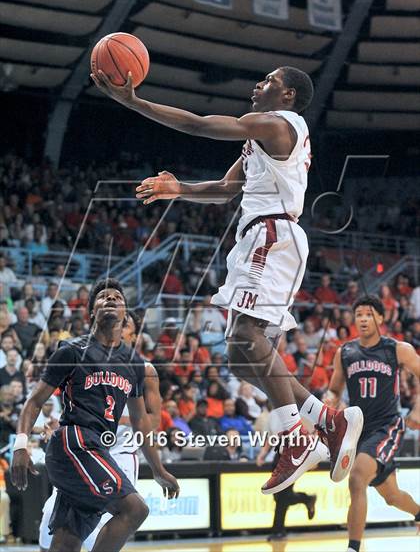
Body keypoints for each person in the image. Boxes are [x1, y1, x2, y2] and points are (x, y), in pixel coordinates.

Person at [94, 66, 363, 494]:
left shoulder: (279, 125)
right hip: (262, 236)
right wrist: (179, 189)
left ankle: (296, 440)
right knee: (239, 359)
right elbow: (225, 189)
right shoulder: (260, 139)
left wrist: (134, 102)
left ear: (288, 94)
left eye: (269, 82)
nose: (258, 85)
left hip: (271, 234)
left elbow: (199, 124)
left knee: (244, 337)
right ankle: (326, 419)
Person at [11, 278, 178, 552]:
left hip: (99, 449)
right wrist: (20, 446)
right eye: (102, 297)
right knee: (135, 510)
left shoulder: (135, 364)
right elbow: (34, 401)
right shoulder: (71, 351)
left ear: (125, 314)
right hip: (73, 442)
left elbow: (140, 421)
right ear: (91, 312)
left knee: (67, 543)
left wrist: (158, 470)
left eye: (117, 297)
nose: (110, 299)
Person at [38, 309, 161, 552]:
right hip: (84, 447)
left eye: (126, 325)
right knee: (52, 516)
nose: (119, 326)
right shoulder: (87, 357)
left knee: (117, 516)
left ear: (133, 334)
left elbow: (153, 420)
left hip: (120, 450)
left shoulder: (142, 368)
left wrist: (111, 422)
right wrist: (63, 423)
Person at [326, 295, 420, 552]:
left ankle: (353, 548)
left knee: (357, 478)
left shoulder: (397, 349)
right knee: (392, 497)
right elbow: (334, 391)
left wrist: (418, 410)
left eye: (369, 314)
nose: (364, 319)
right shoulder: (344, 352)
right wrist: (327, 403)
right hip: (359, 431)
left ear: (380, 318)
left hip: (387, 426)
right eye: (359, 315)